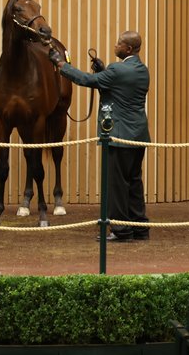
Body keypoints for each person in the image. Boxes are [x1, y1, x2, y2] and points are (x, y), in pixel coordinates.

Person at [49, 31, 151, 241]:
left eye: (119, 44)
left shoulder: (118, 69)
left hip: (118, 135)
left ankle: (121, 230)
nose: (115, 46)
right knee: (133, 181)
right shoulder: (142, 69)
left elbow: (87, 80)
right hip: (139, 134)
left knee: (116, 185)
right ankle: (139, 227)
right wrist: (103, 70)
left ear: (128, 49)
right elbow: (117, 87)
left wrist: (61, 65)